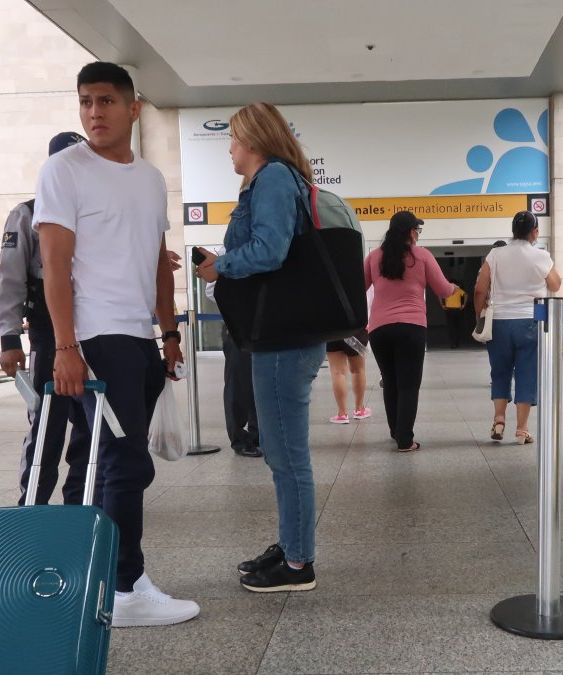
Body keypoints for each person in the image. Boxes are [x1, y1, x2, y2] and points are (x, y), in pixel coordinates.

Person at [34, 61, 199, 627]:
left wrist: (168, 332)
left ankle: (100, 576)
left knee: (111, 464)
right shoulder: (64, 170)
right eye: (85, 102)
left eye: (105, 101)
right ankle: (125, 589)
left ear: (133, 107)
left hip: (138, 340)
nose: (93, 112)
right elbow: (55, 266)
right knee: (126, 464)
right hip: (95, 338)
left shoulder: (150, 178)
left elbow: (157, 261)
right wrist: (64, 347)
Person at [196, 102, 325, 593]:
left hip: (282, 340)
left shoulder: (272, 177)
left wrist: (220, 266)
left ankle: (298, 565)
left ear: (252, 140)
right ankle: (292, 547)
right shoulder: (281, 179)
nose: (229, 148)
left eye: (232, 138)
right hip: (286, 336)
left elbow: (270, 250)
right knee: (282, 452)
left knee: (287, 455)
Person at [0, 131, 91, 507]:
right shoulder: (28, 214)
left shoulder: (93, 211)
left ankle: (79, 501)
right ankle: (33, 503)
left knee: (89, 421)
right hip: (49, 331)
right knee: (48, 423)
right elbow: (10, 278)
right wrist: (8, 339)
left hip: (93, 326)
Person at [364, 211, 458, 452]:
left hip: (379, 329)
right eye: (417, 229)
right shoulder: (422, 256)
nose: (418, 234)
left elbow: (358, 286)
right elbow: (443, 289)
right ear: (410, 232)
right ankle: (405, 440)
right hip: (411, 328)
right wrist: (453, 287)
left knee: (391, 382)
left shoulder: (375, 257)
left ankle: (396, 431)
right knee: (408, 385)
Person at [474, 210, 559, 444]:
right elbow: (555, 284)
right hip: (529, 321)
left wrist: (479, 315)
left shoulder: (496, 254)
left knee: (500, 371)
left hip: (499, 322)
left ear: (512, 231)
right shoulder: (540, 255)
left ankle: (499, 420)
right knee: (526, 374)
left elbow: (480, 289)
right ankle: (522, 429)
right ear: (535, 232)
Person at [204, 251, 262, 458]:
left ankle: (258, 436)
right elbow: (211, 289)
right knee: (238, 383)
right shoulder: (227, 252)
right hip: (237, 324)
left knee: (261, 383)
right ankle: (239, 438)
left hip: (264, 325)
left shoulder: (266, 249)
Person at [325, 330, 371, 424]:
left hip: (331, 333)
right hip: (355, 332)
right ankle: (359, 409)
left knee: (338, 372)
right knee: (358, 370)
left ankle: (342, 414)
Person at [442, 284, 469, 349]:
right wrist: (464, 304)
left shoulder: (446, 289)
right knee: (457, 326)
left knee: (451, 327)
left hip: (449, 309)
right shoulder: (458, 289)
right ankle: (457, 343)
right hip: (457, 309)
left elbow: (439, 295)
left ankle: (452, 344)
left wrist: (442, 304)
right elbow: (466, 295)